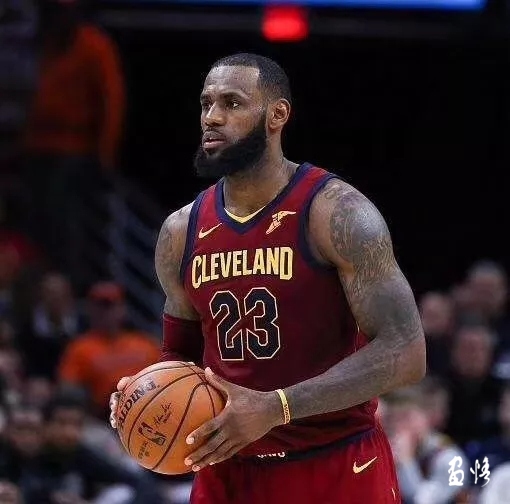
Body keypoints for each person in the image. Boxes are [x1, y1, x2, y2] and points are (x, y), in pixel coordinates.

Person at [109, 53, 426, 503]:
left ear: (277, 114)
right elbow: (181, 358)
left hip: (335, 463)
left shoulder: (337, 213)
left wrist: (277, 407)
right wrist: (145, 393)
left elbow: (407, 352)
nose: (212, 117)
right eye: (206, 104)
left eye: (232, 103)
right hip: (229, 472)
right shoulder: (181, 232)